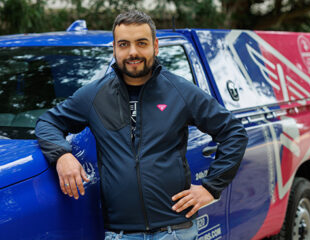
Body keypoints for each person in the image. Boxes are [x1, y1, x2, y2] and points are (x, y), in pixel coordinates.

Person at [35, 10, 248, 240]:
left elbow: (234, 133)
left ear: (155, 46)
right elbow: (48, 122)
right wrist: (62, 155)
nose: (133, 52)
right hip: (121, 234)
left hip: (174, 232)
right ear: (114, 48)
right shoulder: (94, 95)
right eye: (124, 44)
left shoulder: (180, 91)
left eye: (141, 43)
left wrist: (210, 188)